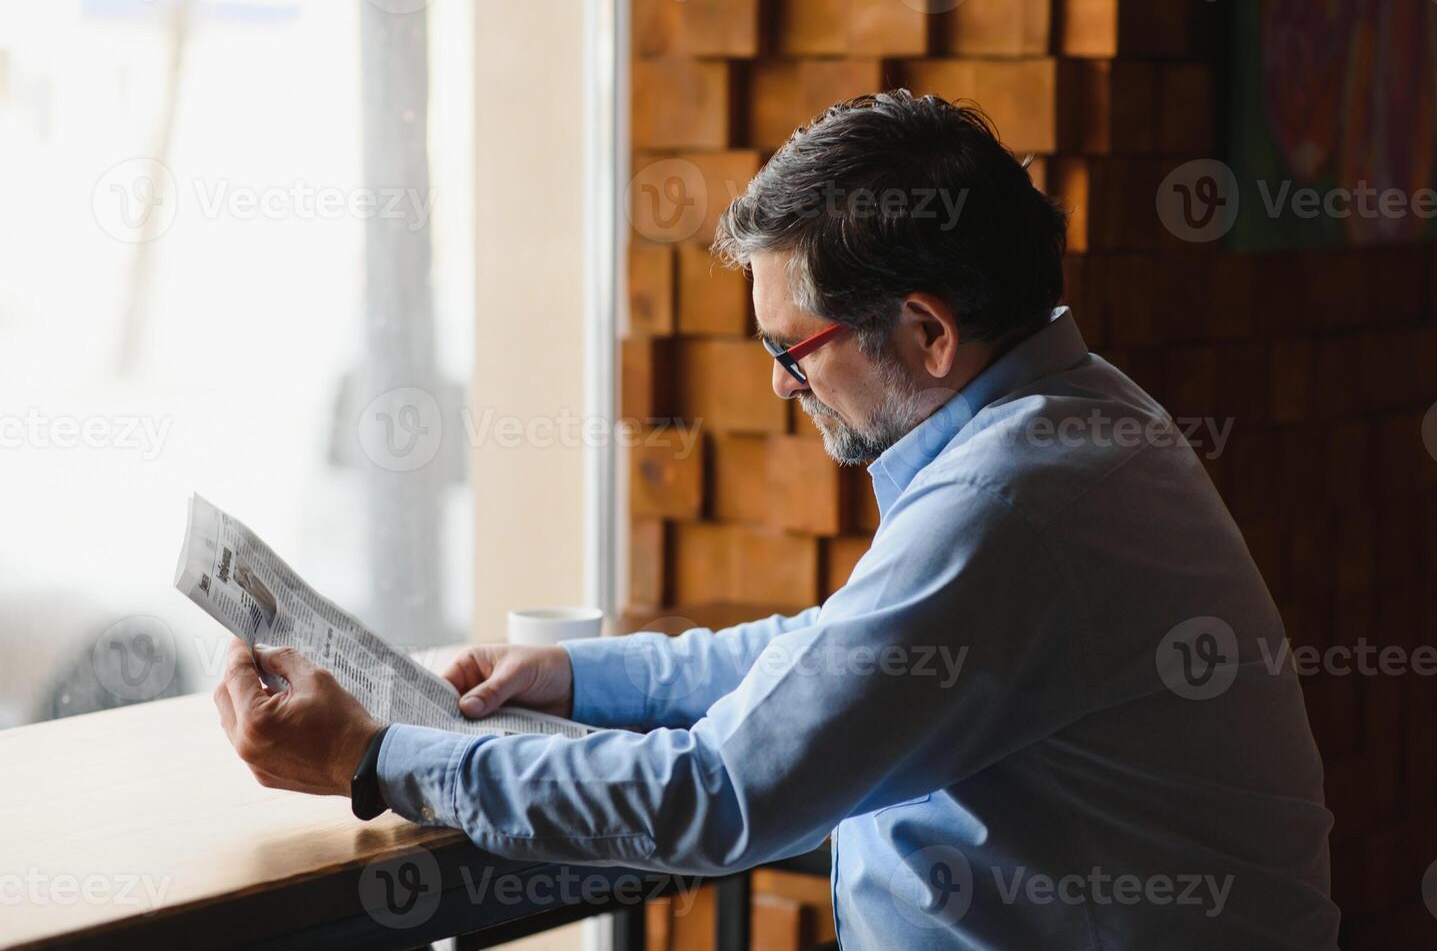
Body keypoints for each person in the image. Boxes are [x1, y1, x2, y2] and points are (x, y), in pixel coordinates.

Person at [215, 91, 1340, 948]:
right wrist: (573, 677)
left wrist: (372, 756)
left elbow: (716, 799)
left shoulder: (1010, 498)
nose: (779, 389)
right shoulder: (1070, 418)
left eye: (790, 350)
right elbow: (835, 649)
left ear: (927, 332)